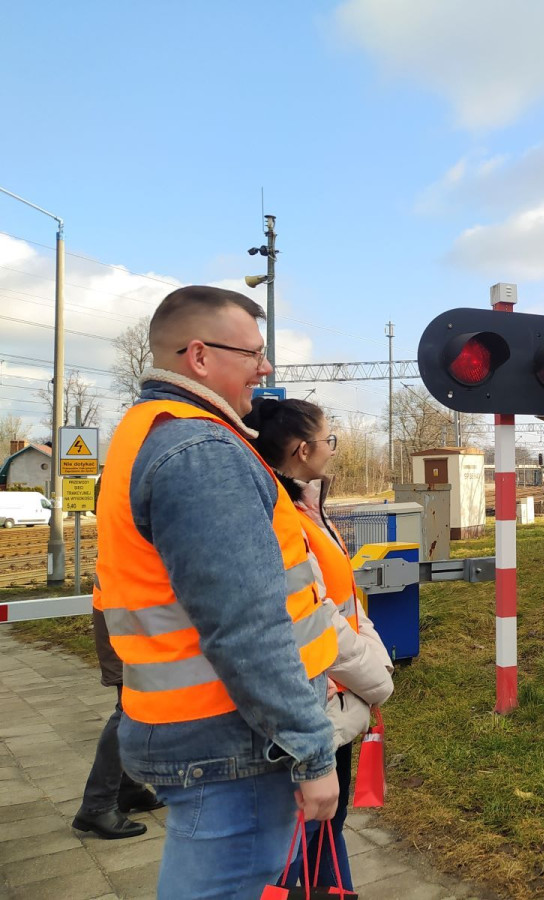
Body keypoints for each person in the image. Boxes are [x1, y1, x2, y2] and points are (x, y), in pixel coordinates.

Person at [95, 285, 341, 900]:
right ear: (199, 357)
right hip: (232, 739)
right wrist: (311, 751)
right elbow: (247, 626)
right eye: (254, 353)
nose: (267, 368)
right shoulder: (201, 451)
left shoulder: (153, 431)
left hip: (201, 726)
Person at [245, 396, 394, 891]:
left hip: (340, 689)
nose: (333, 450)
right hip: (321, 697)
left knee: (326, 828)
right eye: (329, 440)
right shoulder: (281, 516)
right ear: (304, 449)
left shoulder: (305, 508)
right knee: (302, 837)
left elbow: (345, 598)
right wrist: (374, 675)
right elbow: (313, 616)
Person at [70, 581, 163, 840]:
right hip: (126, 614)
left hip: (128, 610)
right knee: (130, 709)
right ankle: (97, 805)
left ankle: (127, 787)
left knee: (137, 707)